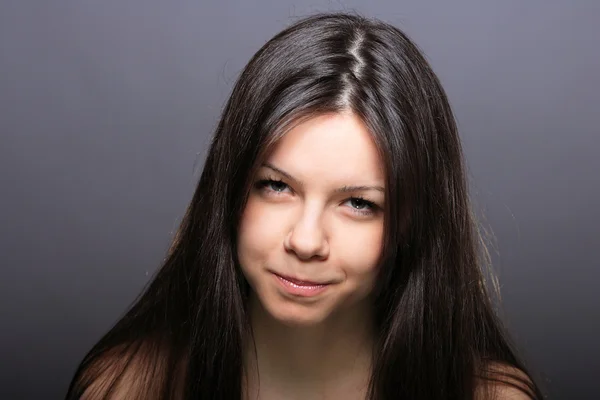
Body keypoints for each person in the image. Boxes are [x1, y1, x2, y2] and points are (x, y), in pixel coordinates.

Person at [65, 12, 544, 400]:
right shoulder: (125, 388)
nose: (306, 240)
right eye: (276, 187)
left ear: (415, 223)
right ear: (228, 191)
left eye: (358, 203)